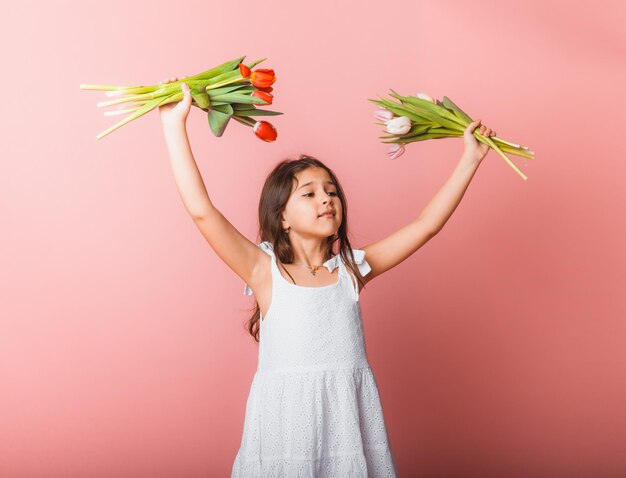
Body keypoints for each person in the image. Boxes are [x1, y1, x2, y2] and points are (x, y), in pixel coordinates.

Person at [158, 77, 496, 478]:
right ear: (281, 217)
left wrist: (470, 159)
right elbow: (202, 211)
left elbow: (426, 226)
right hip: (286, 430)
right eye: (309, 194)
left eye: (331, 191)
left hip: (345, 428)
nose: (326, 199)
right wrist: (173, 126)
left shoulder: (351, 270)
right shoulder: (265, 272)